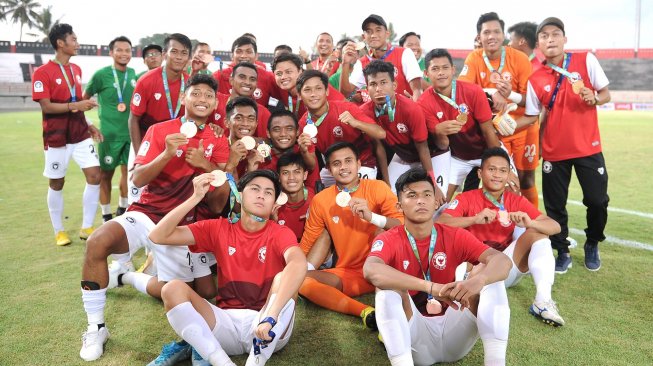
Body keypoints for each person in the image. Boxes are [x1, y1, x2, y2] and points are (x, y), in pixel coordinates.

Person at [78, 74, 230, 362]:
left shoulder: (217, 138)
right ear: (184, 97)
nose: (202, 99)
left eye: (209, 96)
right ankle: (96, 327)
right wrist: (165, 154)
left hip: (182, 224)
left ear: (215, 102)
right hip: (147, 212)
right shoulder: (161, 130)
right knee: (98, 241)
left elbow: (218, 195)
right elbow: (138, 177)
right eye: (195, 93)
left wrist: (205, 165)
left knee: (193, 293)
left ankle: (128, 276)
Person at [148, 170, 307, 366]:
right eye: (255, 189)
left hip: (269, 324)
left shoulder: (281, 233)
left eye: (268, 192)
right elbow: (158, 236)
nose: (261, 195)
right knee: (171, 288)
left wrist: (270, 317)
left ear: (275, 203)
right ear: (238, 194)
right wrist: (195, 197)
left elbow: (299, 263)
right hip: (224, 325)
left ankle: (257, 361)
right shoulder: (218, 228)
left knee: (284, 276)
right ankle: (222, 362)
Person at [363, 167, 512, 366]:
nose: (420, 200)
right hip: (416, 337)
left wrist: (479, 281)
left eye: (427, 194)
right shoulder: (389, 239)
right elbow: (370, 270)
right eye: (412, 195)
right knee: (386, 292)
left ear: (436, 202)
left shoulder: (453, 235)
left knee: (490, 278)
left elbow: (502, 261)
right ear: (399, 206)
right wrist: (432, 288)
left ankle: (495, 363)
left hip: (454, 331)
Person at [520, 17, 611, 273]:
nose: (550, 39)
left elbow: (606, 94)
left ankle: (593, 241)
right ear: (538, 44)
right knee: (554, 206)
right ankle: (561, 250)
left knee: (597, 201)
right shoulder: (535, 78)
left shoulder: (585, 60)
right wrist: (501, 125)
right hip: (554, 152)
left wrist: (594, 97)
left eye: (555, 34)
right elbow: (530, 116)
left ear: (564, 39)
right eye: (544, 36)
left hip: (588, 148)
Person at [438, 147, 564, 326]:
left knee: (538, 233)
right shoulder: (467, 197)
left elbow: (555, 226)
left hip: (504, 268)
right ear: (480, 173)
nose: (497, 175)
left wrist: (530, 223)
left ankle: (542, 302)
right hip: (475, 271)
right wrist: (475, 219)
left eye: (503, 170)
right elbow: (442, 222)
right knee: (461, 259)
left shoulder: (516, 201)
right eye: (492, 169)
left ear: (508, 174)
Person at [299, 142, 403, 328]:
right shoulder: (321, 200)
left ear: (358, 164)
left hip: (382, 269)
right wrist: (292, 269)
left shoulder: (377, 188)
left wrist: (373, 217)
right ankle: (365, 311)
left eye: (348, 161)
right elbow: (309, 239)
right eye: (337, 163)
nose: (343, 167)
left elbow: (403, 226)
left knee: (381, 230)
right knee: (300, 281)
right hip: (349, 272)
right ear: (329, 170)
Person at [418, 48, 520, 202]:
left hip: (487, 152)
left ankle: (513, 225)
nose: (441, 73)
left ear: (453, 70)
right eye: (435, 69)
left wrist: (502, 165)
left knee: (512, 191)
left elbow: (488, 132)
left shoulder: (473, 91)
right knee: (438, 201)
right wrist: (439, 132)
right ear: (426, 73)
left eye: (445, 68)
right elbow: (442, 144)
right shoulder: (424, 102)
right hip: (457, 157)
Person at [32, 23, 102, 246]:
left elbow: (76, 102)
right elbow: (47, 107)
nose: (77, 43)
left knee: (94, 175)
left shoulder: (76, 70)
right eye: (73, 39)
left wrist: (89, 123)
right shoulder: (42, 73)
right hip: (57, 137)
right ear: (61, 43)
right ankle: (59, 230)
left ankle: (87, 227)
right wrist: (77, 106)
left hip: (80, 134)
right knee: (57, 183)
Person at [459, 12, 538, 206]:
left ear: (503, 35)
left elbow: (533, 102)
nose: (491, 36)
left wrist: (509, 95)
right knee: (496, 182)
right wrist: (492, 93)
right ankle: (500, 225)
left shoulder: (519, 59)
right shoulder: (474, 58)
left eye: (496, 32)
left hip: (521, 128)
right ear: (480, 37)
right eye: (487, 32)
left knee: (525, 180)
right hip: (492, 133)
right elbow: (462, 92)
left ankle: (531, 226)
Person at [360, 60, 445, 202]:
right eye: (373, 84)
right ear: (367, 88)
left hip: (432, 155)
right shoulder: (365, 111)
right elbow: (379, 148)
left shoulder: (411, 109)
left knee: (436, 201)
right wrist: (386, 183)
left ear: (394, 85)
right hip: (404, 156)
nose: (378, 89)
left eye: (383, 82)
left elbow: (423, 148)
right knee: (390, 197)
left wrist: (433, 184)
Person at [128, 33, 191, 205]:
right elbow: (133, 119)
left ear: (189, 57)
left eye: (184, 53)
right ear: (164, 54)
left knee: (171, 198)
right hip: (146, 146)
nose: (179, 57)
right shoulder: (146, 81)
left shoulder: (191, 84)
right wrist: (138, 154)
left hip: (177, 148)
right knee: (137, 196)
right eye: (174, 52)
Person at [296, 70, 385, 186]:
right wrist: (304, 151)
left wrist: (356, 123)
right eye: (307, 90)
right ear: (299, 95)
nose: (313, 94)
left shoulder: (346, 108)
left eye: (318, 88)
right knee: (319, 197)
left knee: (356, 199)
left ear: (327, 91)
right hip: (333, 168)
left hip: (362, 164)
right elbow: (312, 164)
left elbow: (381, 133)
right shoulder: (303, 123)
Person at [84, 36, 137, 222]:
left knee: (128, 174)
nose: (124, 54)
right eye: (119, 50)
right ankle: (106, 215)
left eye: (127, 50)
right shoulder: (101, 75)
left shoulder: (133, 75)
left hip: (130, 135)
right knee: (105, 174)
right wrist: (91, 124)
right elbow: (85, 99)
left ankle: (122, 208)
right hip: (108, 136)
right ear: (111, 52)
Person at [341, 14, 423, 102]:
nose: (373, 35)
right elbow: (346, 93)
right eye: (369, 31)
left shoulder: (404, 53)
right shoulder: (361, 62)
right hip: (377, 114)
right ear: (363, 37)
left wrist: (415, 110)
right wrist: (345, 63)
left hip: (404, 112)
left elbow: (417, 90)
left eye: (378, 30)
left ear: (387, 33)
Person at [255, 109, 320, 192]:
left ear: (297, 131)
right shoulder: (261, 155)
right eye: (277, 129)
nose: (283, 134)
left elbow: (312, 167)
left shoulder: (305, 148)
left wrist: (304, 152)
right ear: (268, 133)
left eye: (289, 129)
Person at [272, 52, 344, 119]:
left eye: (288, 72)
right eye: (279, 74)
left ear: (300, 70)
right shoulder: (280, 88)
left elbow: (345, 106)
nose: (283, 77)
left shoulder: (316, 86)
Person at [212, 36, 278, 108]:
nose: (243, 56)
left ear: (256, 56)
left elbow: (288, 97)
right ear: (232, 56)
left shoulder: (268, 77)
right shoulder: (220, 75)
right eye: (239, 51)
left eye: (249, 52)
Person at [211, 62, 271, 137]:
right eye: (242, 77)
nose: (247, 82)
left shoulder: (263, 113)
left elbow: (268, 141)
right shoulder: (214, 100)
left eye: (252, 79)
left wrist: (253, 141)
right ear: (231, 80)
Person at [275, 152, 314, 241]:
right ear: (279, 177)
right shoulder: (272, 204)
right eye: (285, 173)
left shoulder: (315, 200)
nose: (291, 177)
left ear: (305, 175)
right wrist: (272, 221)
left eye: (296, 172)